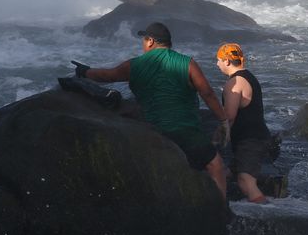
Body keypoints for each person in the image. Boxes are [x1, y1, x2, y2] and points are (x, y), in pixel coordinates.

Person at [77, 21, 230, 200]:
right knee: (215, 165)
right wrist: (223, 120)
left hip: (153, 133)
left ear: (150, 41)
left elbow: (106, 76)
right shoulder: (187, 63)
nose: (143, 44)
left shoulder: (133, 66)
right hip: (186, 132)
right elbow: (207, 93)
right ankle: (221, 210)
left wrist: (84, 71)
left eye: (144, 40)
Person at [215, 42, 271, 204]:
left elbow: (229, 116)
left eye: (218, 60)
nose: (217, 64)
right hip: (258, 136)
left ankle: (269, 215)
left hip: (250, 140)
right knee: (227, 172)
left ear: (226, 61)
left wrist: (219, 138)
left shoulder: (234, 83)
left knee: (245, 180)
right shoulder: (249, 76)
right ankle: (272, 186)